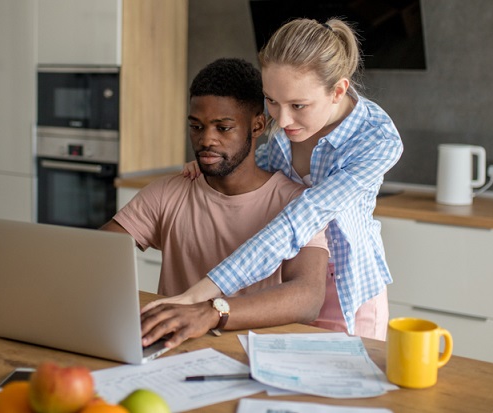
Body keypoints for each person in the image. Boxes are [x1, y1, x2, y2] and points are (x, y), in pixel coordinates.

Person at [155, 18, 404, 340]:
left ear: (337, 91)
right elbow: (263, 169)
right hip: (287, 285)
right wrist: (215, 162)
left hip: (346, 290)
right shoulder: (288, 124)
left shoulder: (378, 139)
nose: (282, 120)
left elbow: (301, 218)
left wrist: (198, 295)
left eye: (298, 105)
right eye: (272, 100)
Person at [100, 58, 329, 349]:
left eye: (223, 128)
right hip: (172, 347)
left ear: (257, 125)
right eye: (196, 126)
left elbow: (308, 297)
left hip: (256, 354)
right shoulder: (167, 192)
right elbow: (97, 253)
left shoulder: (295, 202)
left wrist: (211, 313)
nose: (206, 140)